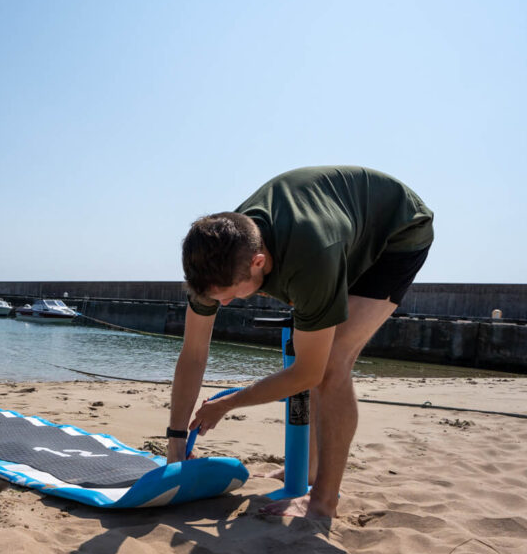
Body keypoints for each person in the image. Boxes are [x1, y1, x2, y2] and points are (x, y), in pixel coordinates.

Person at [166, 166, 434, 519]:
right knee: (313, 342)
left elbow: (310, 373)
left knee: (332, 364)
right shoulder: (216, 260)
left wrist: (228, 403)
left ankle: (323, 501)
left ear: (259, 262)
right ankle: (306, 470)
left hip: (396, 231)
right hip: (337, 228)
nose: (225, 304)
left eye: (231, 296)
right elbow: (193, 353)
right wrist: (175, 439)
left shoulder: (310, 257)